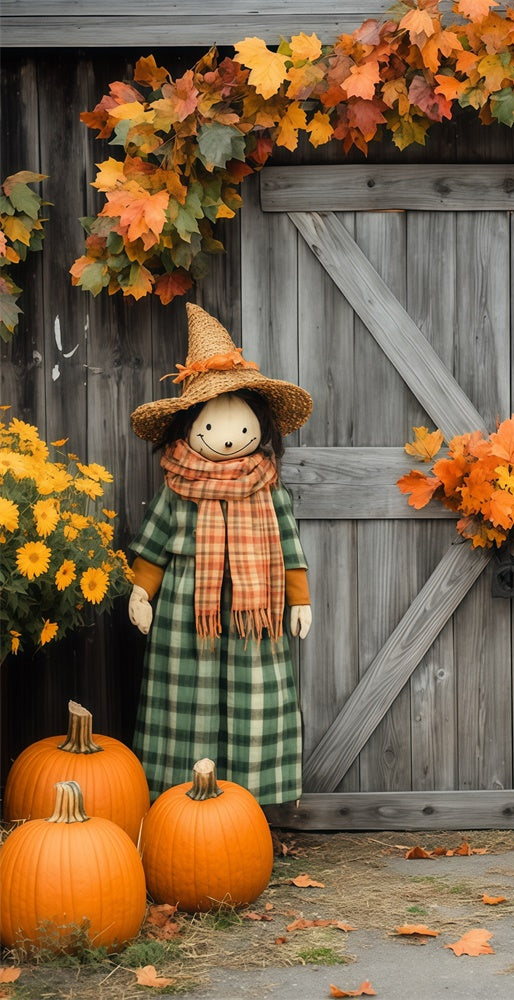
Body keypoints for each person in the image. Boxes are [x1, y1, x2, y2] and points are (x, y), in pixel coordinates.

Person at [127, 303, 313, 804]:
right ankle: (179, 798)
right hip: (188, 607)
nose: (229, 438)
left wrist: (300, 599)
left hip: (257, 609)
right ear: (189, 426)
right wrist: (142, 590)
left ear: (260, 424)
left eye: (240, 426)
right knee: (187, 698)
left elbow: (288, 544)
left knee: (255, 696)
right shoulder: (178, 484)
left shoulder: (266, 485)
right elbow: (156, 542)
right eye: (212, 427)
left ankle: (248, 804)